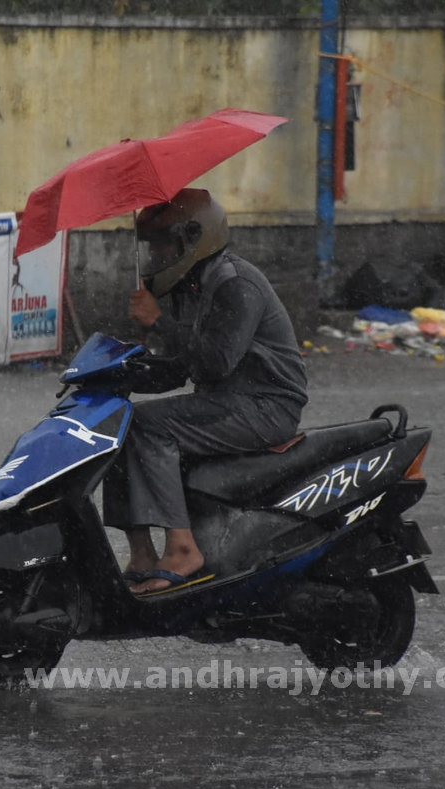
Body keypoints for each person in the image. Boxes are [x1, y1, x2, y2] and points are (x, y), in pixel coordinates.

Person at [102, 188, 309, 594]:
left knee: (150, 426)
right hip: (226, 401)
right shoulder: (190, 288)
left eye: (164, 244)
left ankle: (182, 549)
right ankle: (142, 555)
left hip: (265, 406)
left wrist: (158, 320)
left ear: (195, 238)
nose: (157, 255)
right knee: (123, 423)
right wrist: (118, 378)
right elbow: (183, 368)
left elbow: (216, 361)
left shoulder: (236, 283)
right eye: (153, 247)